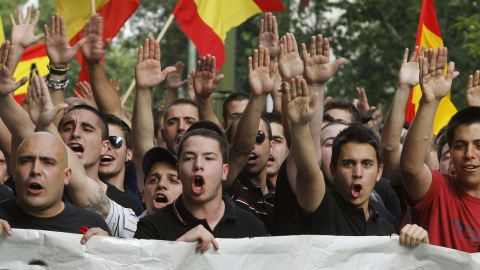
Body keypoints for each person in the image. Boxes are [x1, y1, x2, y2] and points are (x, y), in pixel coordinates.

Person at [400, 47, 480, 253]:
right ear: (450, 152)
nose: (470, 153)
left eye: (479, 145)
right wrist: (430, 101)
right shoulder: (437, 190)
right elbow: (410, 168)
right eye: (460, 146)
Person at [134, 128, 266, 252]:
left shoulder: (251, 227)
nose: (198, 165)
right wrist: (177, 250)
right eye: (189, 158)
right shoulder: (151, 227)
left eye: (209, 158)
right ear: (178, 170)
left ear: (224, 171)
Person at [0, 132, 110, 243]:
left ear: (66, 176)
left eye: (48, 162)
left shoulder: (92, 224)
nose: (35, 170)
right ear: (14, 173)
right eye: (26, 161)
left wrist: (106, 250)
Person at [99, 114, 144, 215]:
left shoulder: (136, 207)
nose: (107, 147)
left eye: (115, 141)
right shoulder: (73, 193)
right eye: (101, 142)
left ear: (129, 154)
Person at [263, 112, 288, 186]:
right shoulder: (236, 190)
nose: (270, 146)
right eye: (261, 140)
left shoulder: (298, 190)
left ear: (288, 149)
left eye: (276, 141)